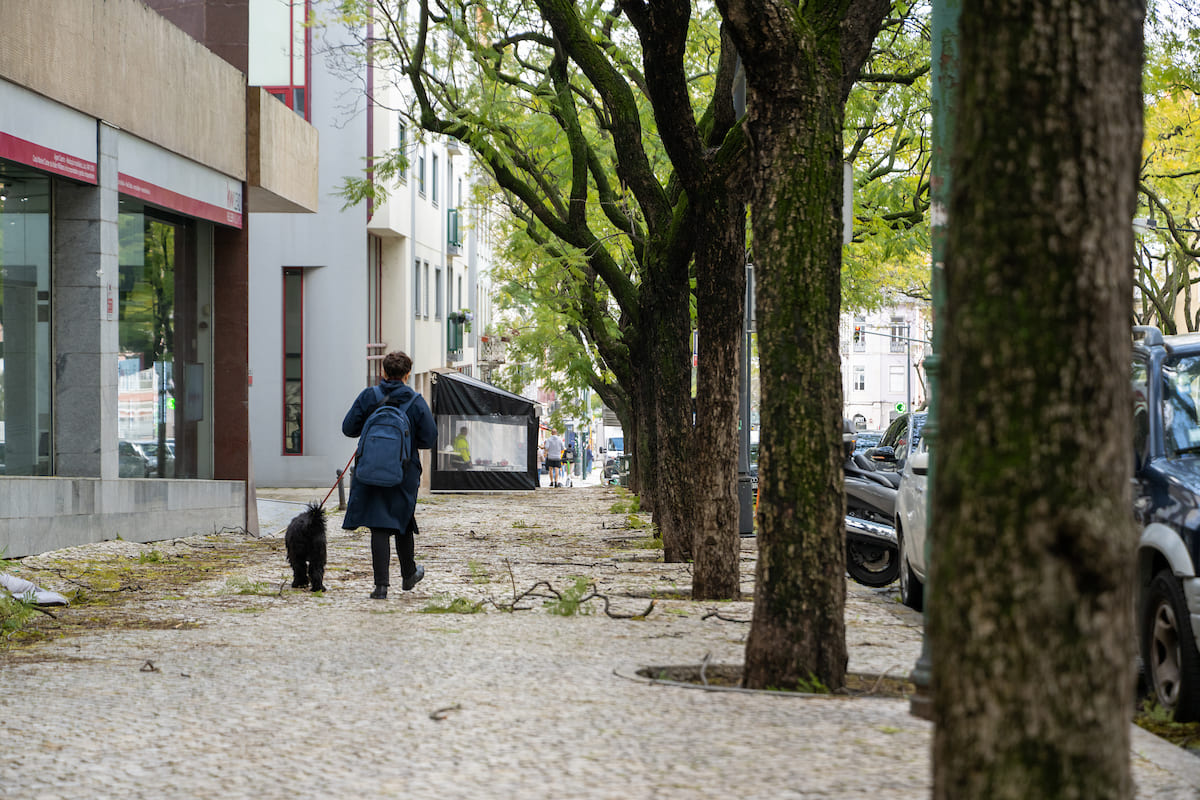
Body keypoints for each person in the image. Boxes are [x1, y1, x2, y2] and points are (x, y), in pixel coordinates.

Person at [342, 351, 437, 600]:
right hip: (403, 472)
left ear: (383, 373)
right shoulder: (416, 402)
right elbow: (428, 440)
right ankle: (408, 574)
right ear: (407, 375)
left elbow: (348, 428)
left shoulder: (368, 396)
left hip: (370, 471)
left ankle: (381, 586)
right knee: (401, 518)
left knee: (378, 525)